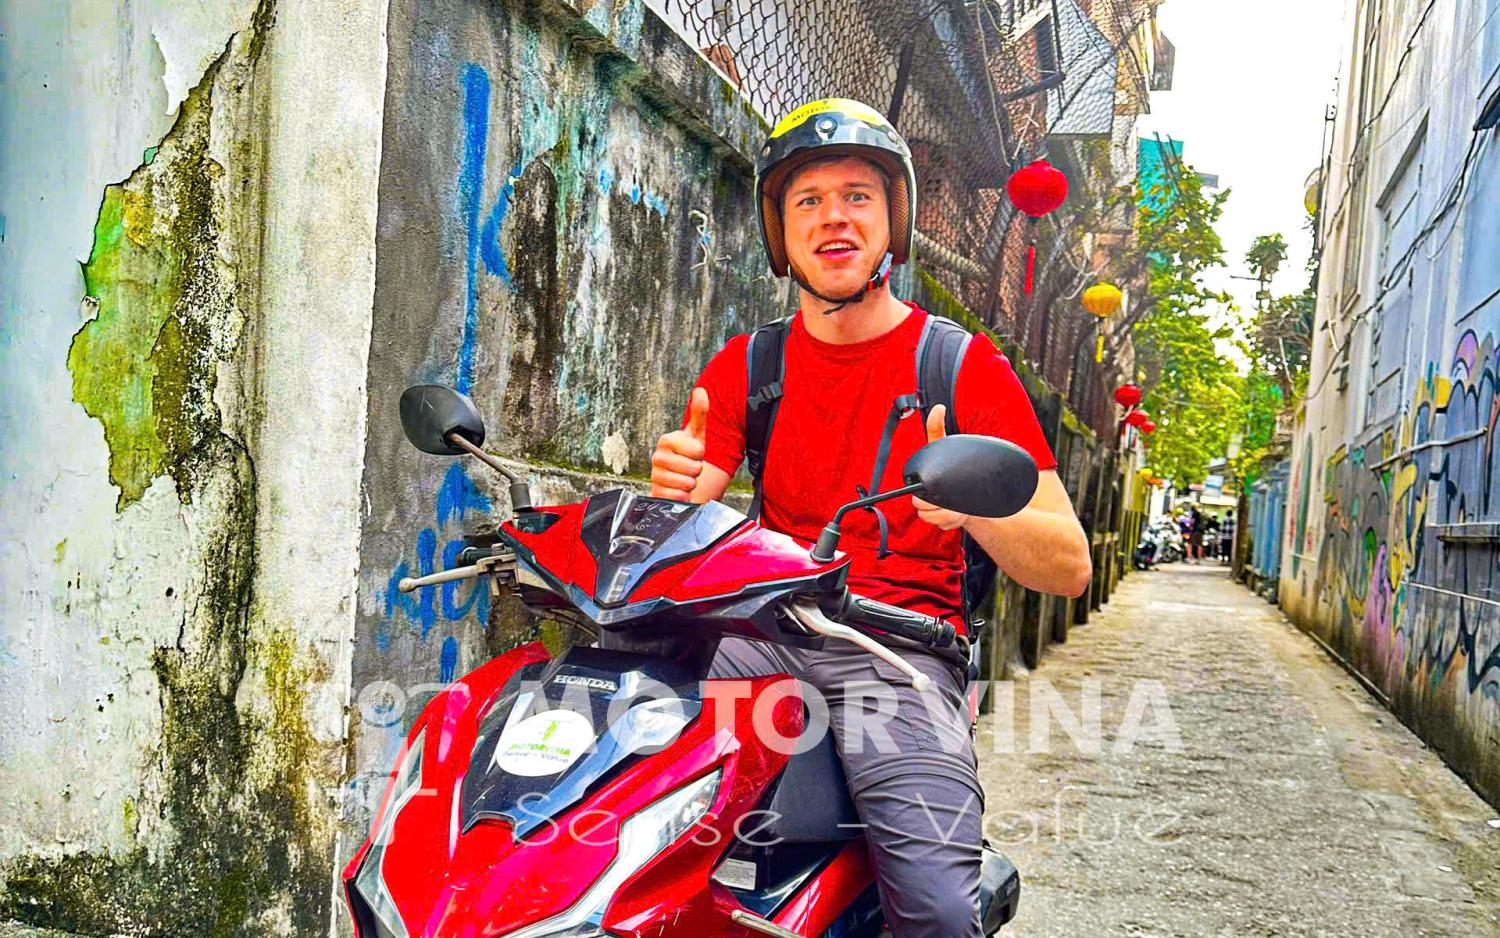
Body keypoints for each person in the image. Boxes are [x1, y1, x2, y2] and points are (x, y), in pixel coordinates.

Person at [648, 99, 1092, 937]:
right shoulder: (751, 362)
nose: (832, 218)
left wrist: (975, 512)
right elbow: (688, 493)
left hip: (896, 652)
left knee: (936, 913)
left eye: (857, 194)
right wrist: (672, 484)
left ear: (894, 219)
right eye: (807, 200)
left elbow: (1066, 564)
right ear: (782, 232)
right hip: (760, 628)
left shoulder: (960, 366)